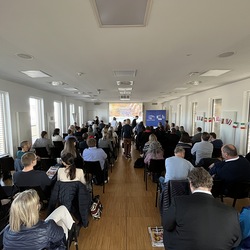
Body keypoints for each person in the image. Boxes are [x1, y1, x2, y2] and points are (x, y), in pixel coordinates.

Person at [162, 167, 241, 250]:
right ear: (211, 185)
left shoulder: (178, 202)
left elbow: (166, 225)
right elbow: (236, 241)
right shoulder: (232, 212)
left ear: (190, 183)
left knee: (167, 229)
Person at [3, 189, 75, 249]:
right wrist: (51, 225)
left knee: (61, 210)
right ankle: (73, 227)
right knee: (62, 223)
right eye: (37, 203)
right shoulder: (47, 227)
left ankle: (73, 226)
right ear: (34, 208)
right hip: (47, 234)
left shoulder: (7, 231)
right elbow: (60, 234)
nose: (39, 205)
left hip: (40, 231)